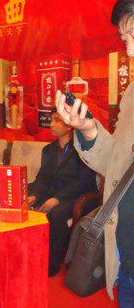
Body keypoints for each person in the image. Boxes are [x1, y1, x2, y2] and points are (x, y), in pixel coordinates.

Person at [55, 0, 134, 308]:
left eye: (133, 34)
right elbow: (118, 167)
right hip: (129, 259)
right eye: (125, 38)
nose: (129, 50)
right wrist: (87, 130)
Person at [27, 109, 98, 277]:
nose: (51, 124)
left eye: (57, 120)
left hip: (80, 196)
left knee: (56, 213)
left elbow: (83, 181)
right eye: (51, 120)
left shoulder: (81, 149)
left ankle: (51, 264)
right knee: (24, 201)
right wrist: (34, 195)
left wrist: (57, 199)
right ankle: (30, 256)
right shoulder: (49, 150)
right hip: (55, 194)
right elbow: (43, 178)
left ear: (69, 125)